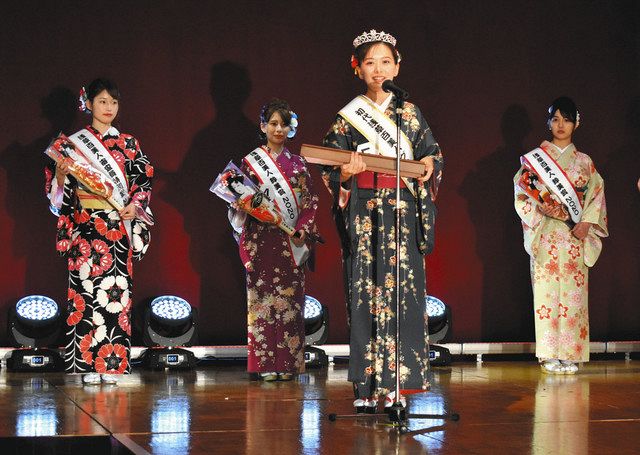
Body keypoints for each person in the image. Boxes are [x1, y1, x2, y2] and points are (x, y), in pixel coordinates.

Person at [321, 30, 443, 412]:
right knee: (365, 295)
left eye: (385, 61)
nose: (378, 69)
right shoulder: (347, 119)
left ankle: (398, 387)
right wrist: (344, 173)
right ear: (356, 67)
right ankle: (367, 388)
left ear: (397, 65)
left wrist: (427, 166)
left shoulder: (409, 112)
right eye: (370, 62)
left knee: (402, 295)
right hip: (365, 213)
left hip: (403, 212)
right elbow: (331, 169)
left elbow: (432, 155)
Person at [45, 78, 154, 385]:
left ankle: (112, 364)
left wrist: (135, 205)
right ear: (88, 104)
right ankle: (86, 363)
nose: (108, 108)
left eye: (114, 102)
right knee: (85, 296)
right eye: (103, 101)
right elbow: (57, 199)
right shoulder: (73, 144)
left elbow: (142, 183)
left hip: (117, 228)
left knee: (115, 297)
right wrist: (62, 176)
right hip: (85, 227)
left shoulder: (129, 144)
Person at [514, 97, 607, 374]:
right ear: (548, 122)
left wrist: (587, 223)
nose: (561, 125)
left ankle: (571, 353)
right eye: (555, 119)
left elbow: (596, 195)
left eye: (566, 119)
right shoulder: (535, 160)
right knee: (546, 295)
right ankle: (548, 354)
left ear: (576, 123)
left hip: (574, 235)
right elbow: (522, 193)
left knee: (574, 296)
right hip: (546, 234)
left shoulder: (585, 162)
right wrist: (539, 206)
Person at [230, 99, 319, 382]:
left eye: (284, 124)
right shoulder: (251, 162)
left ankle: (289, 364)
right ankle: (266, 364)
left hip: (290, 240)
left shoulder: (299, 164)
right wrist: (242, 206)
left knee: (291, 303)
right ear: (263, 126)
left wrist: (304, 227)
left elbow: (309, 201)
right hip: (260, 237)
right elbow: (238, 197)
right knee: (262, 302)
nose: (278, 129)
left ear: (291, 128)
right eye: (273, 124)